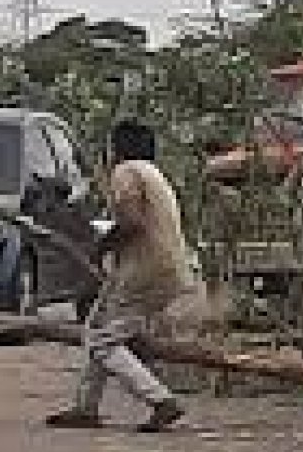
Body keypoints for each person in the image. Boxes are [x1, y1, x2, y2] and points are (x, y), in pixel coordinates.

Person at [46, 118, 197, 433]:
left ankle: (160, 400)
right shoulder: (153, 173)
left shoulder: (126, 172)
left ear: (117, 148)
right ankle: (85, 407)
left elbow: (131, 222)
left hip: (145, 271)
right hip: (160, 267)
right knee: (97, 328)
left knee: (103, 341)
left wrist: (101, 247)